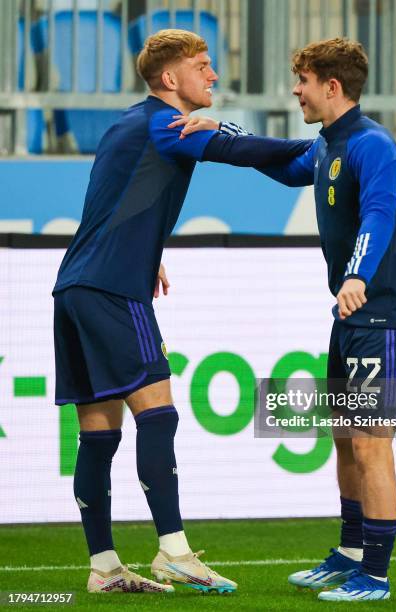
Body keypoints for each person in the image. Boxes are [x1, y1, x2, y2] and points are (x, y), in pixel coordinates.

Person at [52, 28, 311, 595]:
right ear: (171, 79)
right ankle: (173, 552)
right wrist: (330, 149)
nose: (212, 75)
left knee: (97, 433)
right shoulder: (171, 125)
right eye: (202, 65)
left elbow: (114, 200)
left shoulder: (127, 123)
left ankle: (104, 569)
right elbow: (251, 155)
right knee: (158, 412)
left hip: (74, 287)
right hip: (115, 290)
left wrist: (148, 254)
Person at [178, 36, 396, 602]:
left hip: (385, 317)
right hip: (354, 320)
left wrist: (357, 275)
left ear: (331, 86)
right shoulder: (331, 144)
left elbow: (379, 212)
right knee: (345, 438)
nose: (296, 90)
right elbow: (284, 159)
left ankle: (376, 575)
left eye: (303, 81)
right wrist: (218, 138)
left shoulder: (374, 146)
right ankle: (350, 552)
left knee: (371, 443)